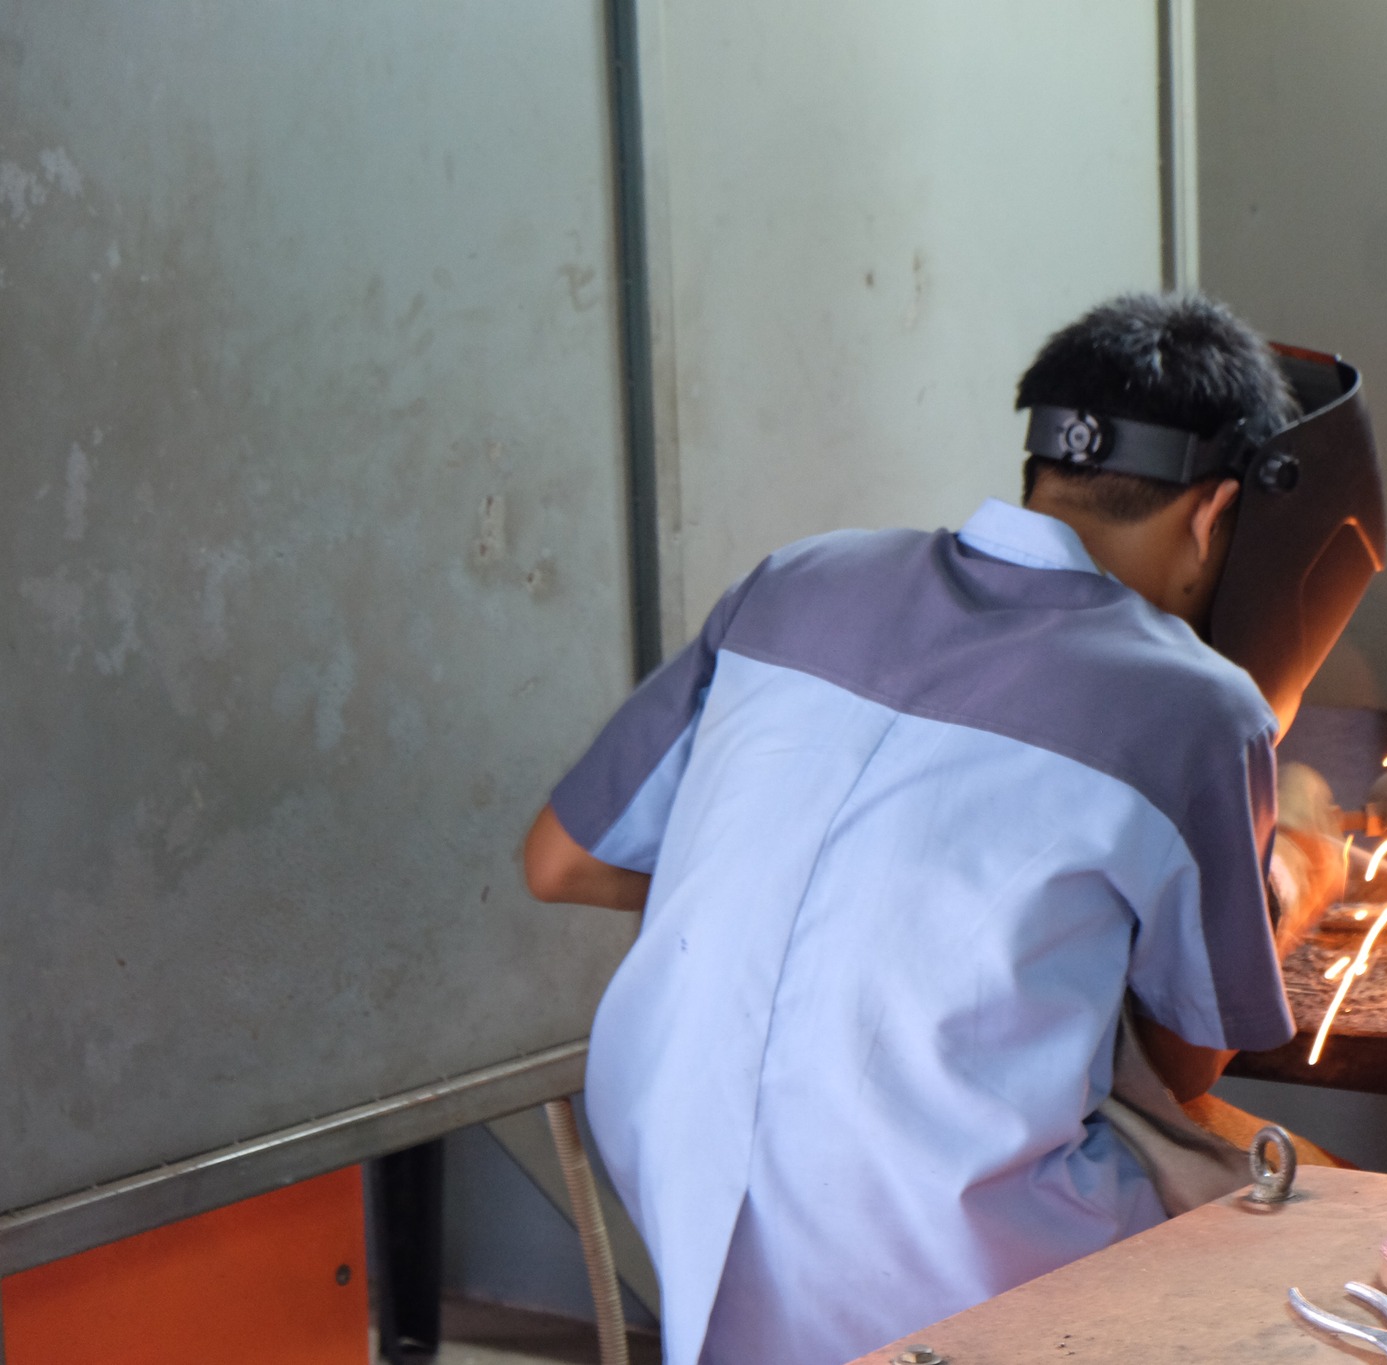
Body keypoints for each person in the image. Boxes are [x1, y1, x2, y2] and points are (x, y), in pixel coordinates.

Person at [522, 292, 1334, 1365]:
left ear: (1042, 461)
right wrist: (1299, 880)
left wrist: (827, 873)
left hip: (681, 1192)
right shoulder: (1194, 703)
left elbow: (560, 860)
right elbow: (1188, 1059)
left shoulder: (798, 580)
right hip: (947, 1260)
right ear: (1215, 514)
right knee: (1311, 1227)